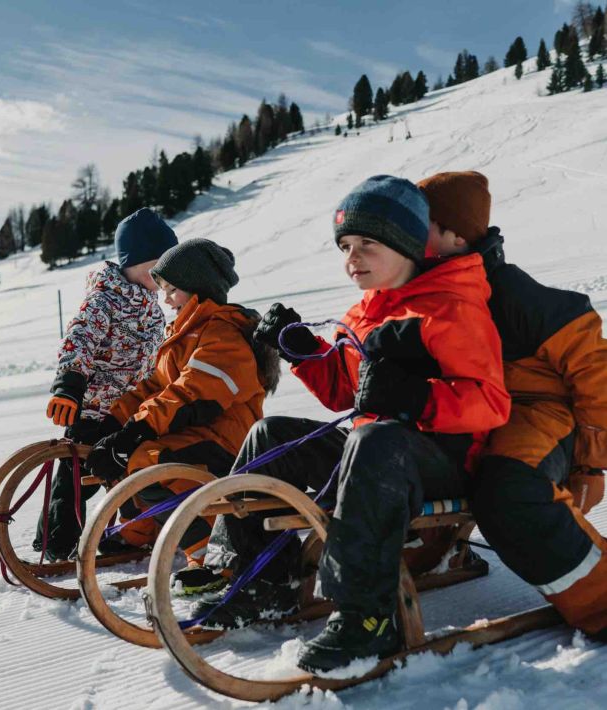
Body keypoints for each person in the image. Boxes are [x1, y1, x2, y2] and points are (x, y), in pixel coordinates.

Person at [192, 175, 510, 673]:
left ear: (406, 244)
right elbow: (345, 393)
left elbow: (491, 403)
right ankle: (261, 581)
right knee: (270, 434)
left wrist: (417, 397)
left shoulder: (452, 305)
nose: (352, 257)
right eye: (345, 245)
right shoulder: (366, 310)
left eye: (367, 244)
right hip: (373, 450)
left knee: (374, 439)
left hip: (440, 458)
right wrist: (299, 350)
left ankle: (367, 616)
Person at [418, 170, 607, 637]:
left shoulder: (512, 292)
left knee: (507, 490)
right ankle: (423, 555)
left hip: (537, 411)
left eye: (419, 223)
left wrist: (591, 460)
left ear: (454, 235)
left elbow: (592, 363)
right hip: (468, 411)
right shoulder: (420, 287)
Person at [84, 238, 279, 593]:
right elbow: (154, 387)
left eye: (173, 289)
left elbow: (188, 394)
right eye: (163, 289)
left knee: (145, 458)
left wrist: (134, 433)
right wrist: (113, 423)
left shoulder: (223, 336)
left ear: (199, 289)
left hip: (228, 445)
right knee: (126, 454)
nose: (166, 299)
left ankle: (209, 557)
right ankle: (140, 531)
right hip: (197, 435)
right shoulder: (186, 332)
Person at [33, 208, 177, 561]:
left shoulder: (153, 309)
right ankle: (56, 544)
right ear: (132, 263)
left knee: (128, 472)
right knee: (74, 480)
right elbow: (79, 339)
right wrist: (69, 385)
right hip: (93, 409)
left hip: (128, 411)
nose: (160, 277)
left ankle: (134, 531)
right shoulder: (105, 298)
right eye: (154, 267)